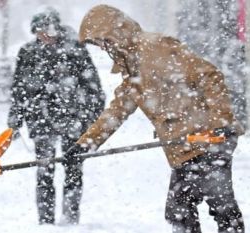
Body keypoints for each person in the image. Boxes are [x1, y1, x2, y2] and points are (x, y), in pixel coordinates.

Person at [66, 4, 245, 233]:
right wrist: (85, 144)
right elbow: (116, 111)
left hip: (207, 138)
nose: (102, 47)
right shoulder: (132, 66)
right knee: (190, 208)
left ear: (114, 32)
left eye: (102, 40)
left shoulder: (154, 47)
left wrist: (220, 121)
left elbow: (209, 76)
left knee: (204, 207)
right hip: (186, 144)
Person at [7, 8, 105, 225]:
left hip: (73, 119)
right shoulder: (28, 52)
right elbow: (19, 89)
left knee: (73, 169)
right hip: (40, 119)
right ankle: (46, 221)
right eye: (40, 31)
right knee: (44, 172)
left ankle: (71, 218)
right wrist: (15, 118)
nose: (45, 35)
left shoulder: (75, 50)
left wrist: (92, 118)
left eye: (49, 29)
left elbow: (93, 87)